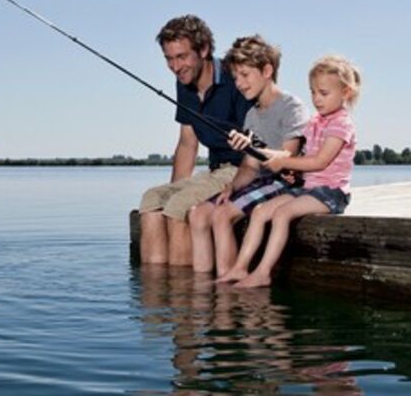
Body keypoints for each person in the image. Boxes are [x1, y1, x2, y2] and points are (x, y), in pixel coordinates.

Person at [220, 54, 361, 288]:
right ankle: (240, 267)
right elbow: (301, 158)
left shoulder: (341, 124)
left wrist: (285, 162)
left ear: (345, 92)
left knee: (282, 214)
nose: (316, 99)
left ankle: (263, 272)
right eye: (313, 92)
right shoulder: (316, 121)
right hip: (309, 189)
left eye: (323, 93)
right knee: (260, 211)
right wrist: (271, 157)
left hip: (331, 193)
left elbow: (320, 162)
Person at [189, 35, 308, 275]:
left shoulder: (291, 107)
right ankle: (201, 289)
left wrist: (252, 145)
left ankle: (230, 283)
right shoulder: (251, 115)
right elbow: (250, 167)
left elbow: (287, 157)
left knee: (221, 216)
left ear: (267, 70)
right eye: (235, 77)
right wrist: (232, 187)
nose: (239, 83)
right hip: (260, 182)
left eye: (244, 75)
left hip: (285, 183)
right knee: (197, 214)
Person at [138, 15, 251, 266]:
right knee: (151, 200)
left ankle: (182, 290)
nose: (175, 67)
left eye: (182, 57)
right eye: (169, 58)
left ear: (204, 49)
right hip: (216, 171)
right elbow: (187, 143)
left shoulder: (236, 78)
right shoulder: (184, 84)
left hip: (244, 169)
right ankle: (155, 289)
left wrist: (178, 201)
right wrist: (174, 190)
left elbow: (260, 138)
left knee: (179, 207)